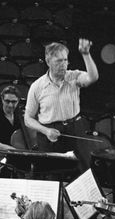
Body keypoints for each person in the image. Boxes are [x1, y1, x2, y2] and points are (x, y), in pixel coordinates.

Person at [24, 40, 98, 171]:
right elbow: (28, 119)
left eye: (65, 60)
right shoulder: (37, 86)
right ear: (48, 62)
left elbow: (93, 77)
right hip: (49, 134)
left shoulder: (74, 77)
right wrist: (45, 131)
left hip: (74, 128)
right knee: (51, 175)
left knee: (84, 171)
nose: (63, 64)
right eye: (59, 61)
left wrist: (86, 54)